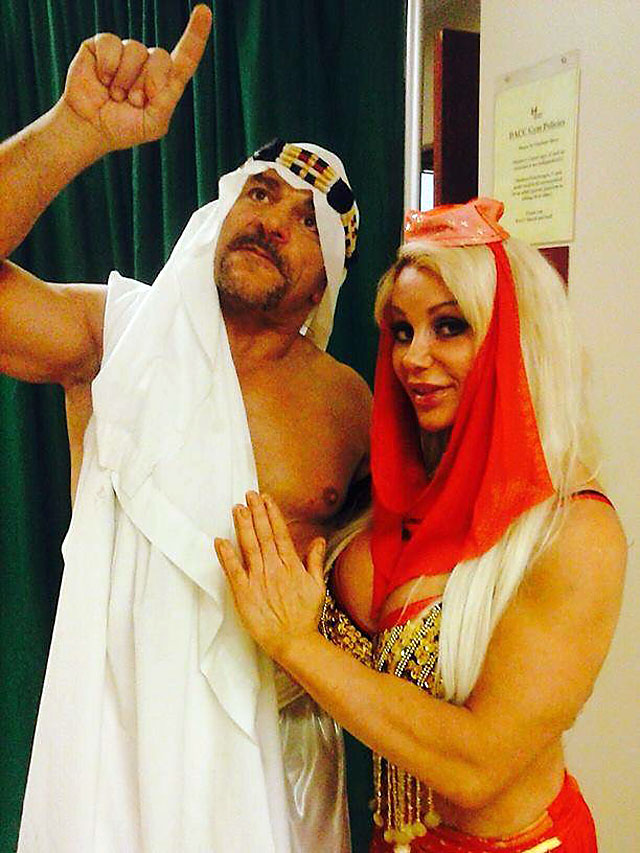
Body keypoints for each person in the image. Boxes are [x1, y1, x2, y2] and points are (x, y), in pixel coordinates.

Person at [0, 5, 371, 851]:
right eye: (261, 192)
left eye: (307, 221)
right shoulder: (117, 332)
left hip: (268, 772)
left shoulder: (350, 409)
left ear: (325, 285)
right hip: (112, 743)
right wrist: (71, 134)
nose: (273, 219)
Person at [216, 198, 627, 852]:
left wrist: (298, 644)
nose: (413, 357)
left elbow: (477, 765)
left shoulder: (573, 531)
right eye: (402, 331)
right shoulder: (393, 497)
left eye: (449, 326)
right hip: (392, 839)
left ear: (513, 337)